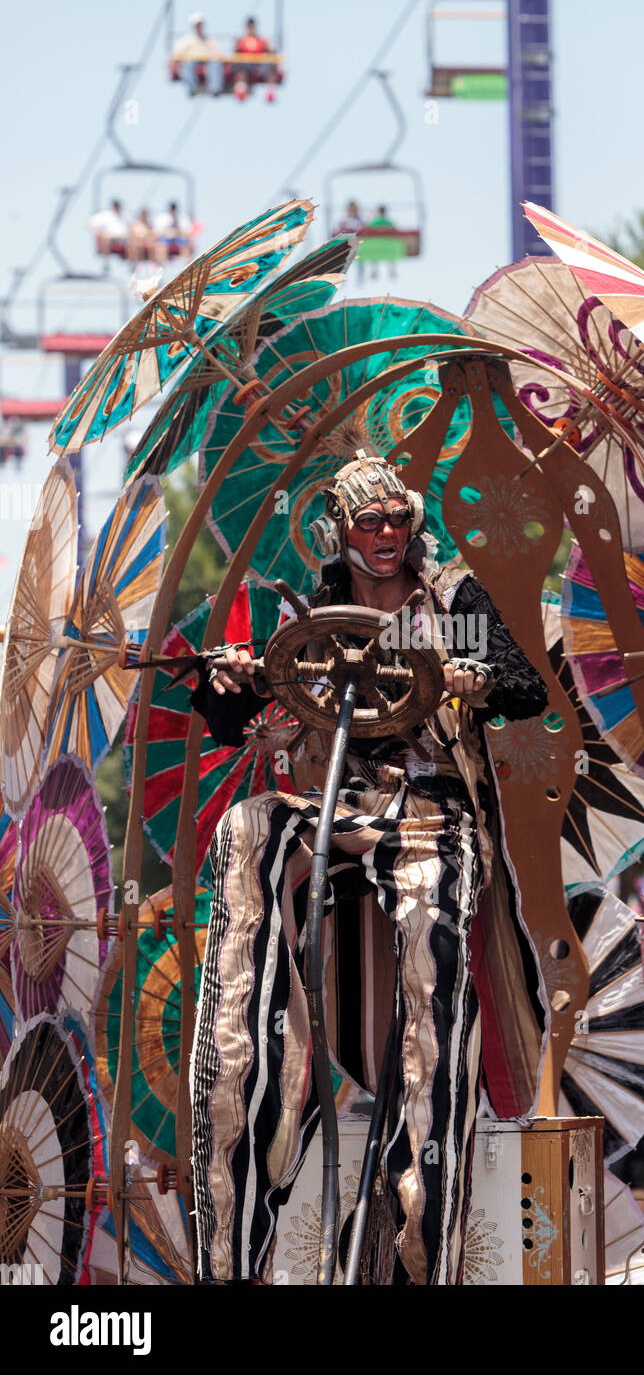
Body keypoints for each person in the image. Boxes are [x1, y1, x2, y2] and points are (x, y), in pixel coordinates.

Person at [189, 443, 551, 1285]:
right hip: (340, 808)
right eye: (369, 521)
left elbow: (524, 684)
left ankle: (421, 1214)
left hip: (431, 814)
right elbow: (227, 714)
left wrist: (472, 677)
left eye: (397, 519)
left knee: (435, 914)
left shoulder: (451, 596)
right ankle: (249, 1067)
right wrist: (235, 680)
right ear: (341, 532)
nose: (386, 533)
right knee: (248, 828)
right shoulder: (315, 610)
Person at [170, 13, 222, 96]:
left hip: (207, 62)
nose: (199, 27)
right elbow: (176, 53)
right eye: (197, 25)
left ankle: (215, 88)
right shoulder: (186, 40)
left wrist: (214, 56)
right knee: (188, 64)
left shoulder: (210, 40)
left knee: (215, 63)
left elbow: (217, 53)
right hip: (192, 62)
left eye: (200, 25)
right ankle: (192, 88)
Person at [229, 16, 278, 101]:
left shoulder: (261, 40)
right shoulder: (241, 40)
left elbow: (272, 49)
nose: (251, 28)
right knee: (240, 68)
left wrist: (267, 47)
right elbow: (235, 50)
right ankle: (241, 88)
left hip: (258, 64)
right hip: (246, 65)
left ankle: (270, 91)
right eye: (249, 26)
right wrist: (239, 43)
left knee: (270, 67)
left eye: (252, 26)